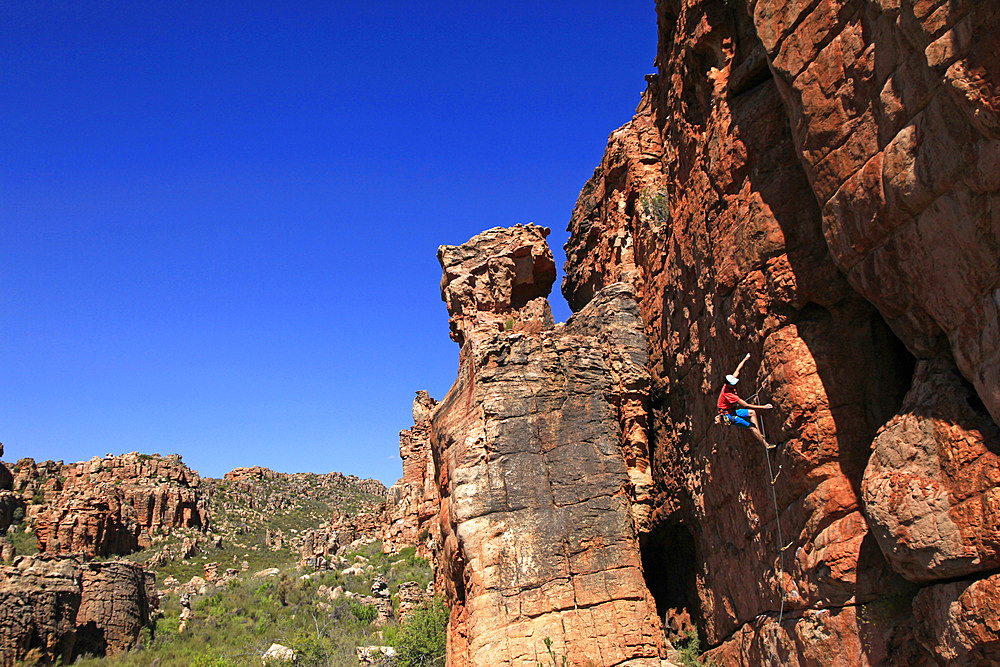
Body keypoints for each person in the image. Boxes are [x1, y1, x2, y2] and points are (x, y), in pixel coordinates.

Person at [716, 352, 775, 448]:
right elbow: (746, 405)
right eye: (733, 383)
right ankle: (766, 445)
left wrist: (745, 359)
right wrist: (764, 407)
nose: (735, 384)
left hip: (731, 411)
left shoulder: (728, 384)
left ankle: (759, 435)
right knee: (751, 427)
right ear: (729, 384)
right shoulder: (729, 394)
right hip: (728, 416)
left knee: (752, 413)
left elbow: (737, 370)